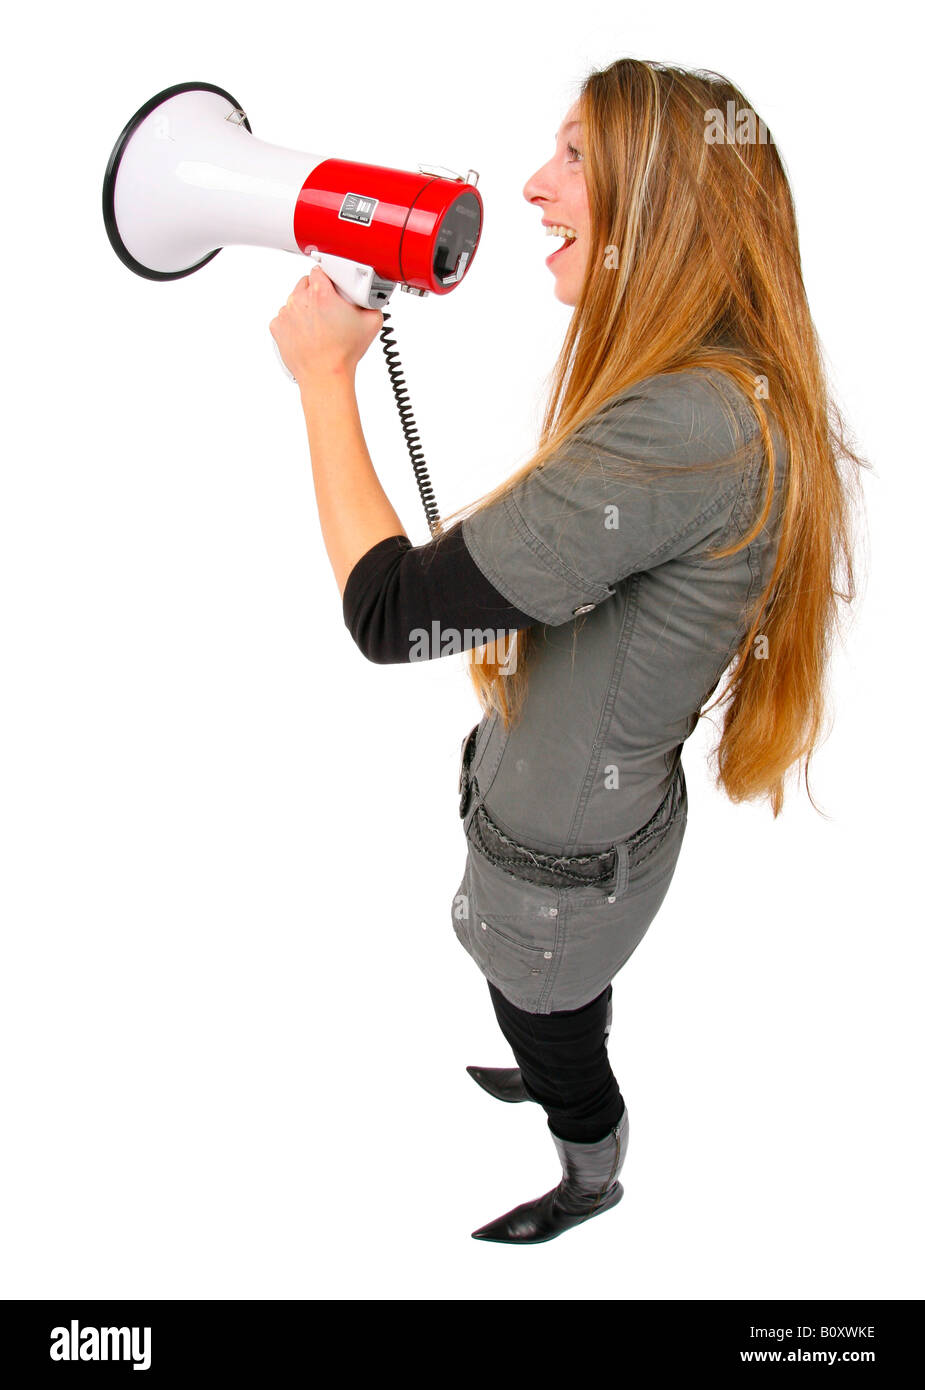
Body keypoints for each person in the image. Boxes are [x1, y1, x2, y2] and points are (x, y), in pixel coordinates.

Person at [269, 58, 866, 1245]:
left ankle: (587, 1162)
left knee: (544, 1013)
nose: (534, 188)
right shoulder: (715, 384)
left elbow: (393, 612)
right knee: (549, 1003)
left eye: (576, 156)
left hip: (556, 877)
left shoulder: (687, 426)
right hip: (588, 838)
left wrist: (324, 374)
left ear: (668, 200)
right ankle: (548, 1043)